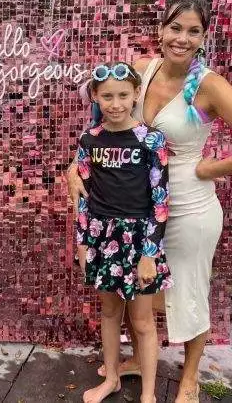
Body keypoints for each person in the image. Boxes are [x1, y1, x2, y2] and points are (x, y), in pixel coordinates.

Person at [68, 0, 232, 403]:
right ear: (161, 30)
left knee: (189, 295)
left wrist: (210, 168)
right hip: (137, 210)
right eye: (175, 27)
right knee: (151, 297)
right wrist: (74, 169)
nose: (182, 38)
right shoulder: (143, 70)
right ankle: (144, 360)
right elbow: (101, 128)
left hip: (190, 207)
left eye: (193, 31)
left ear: (203, 37)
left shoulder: (211, 85)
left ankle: (191, 377)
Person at [76, 61, 171, 403]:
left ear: (135, 96)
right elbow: (84, 197)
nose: (115, 104)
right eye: (107, 97)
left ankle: (149, 395)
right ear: (97, 98)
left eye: (122, 96)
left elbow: (160, 202)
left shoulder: (151, 140)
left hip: (140, 240)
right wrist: (83, 243)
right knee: (110, 313)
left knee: (143, 321)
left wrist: (149, 254)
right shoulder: (90, 139)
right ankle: (111, 377)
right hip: (103, 238)